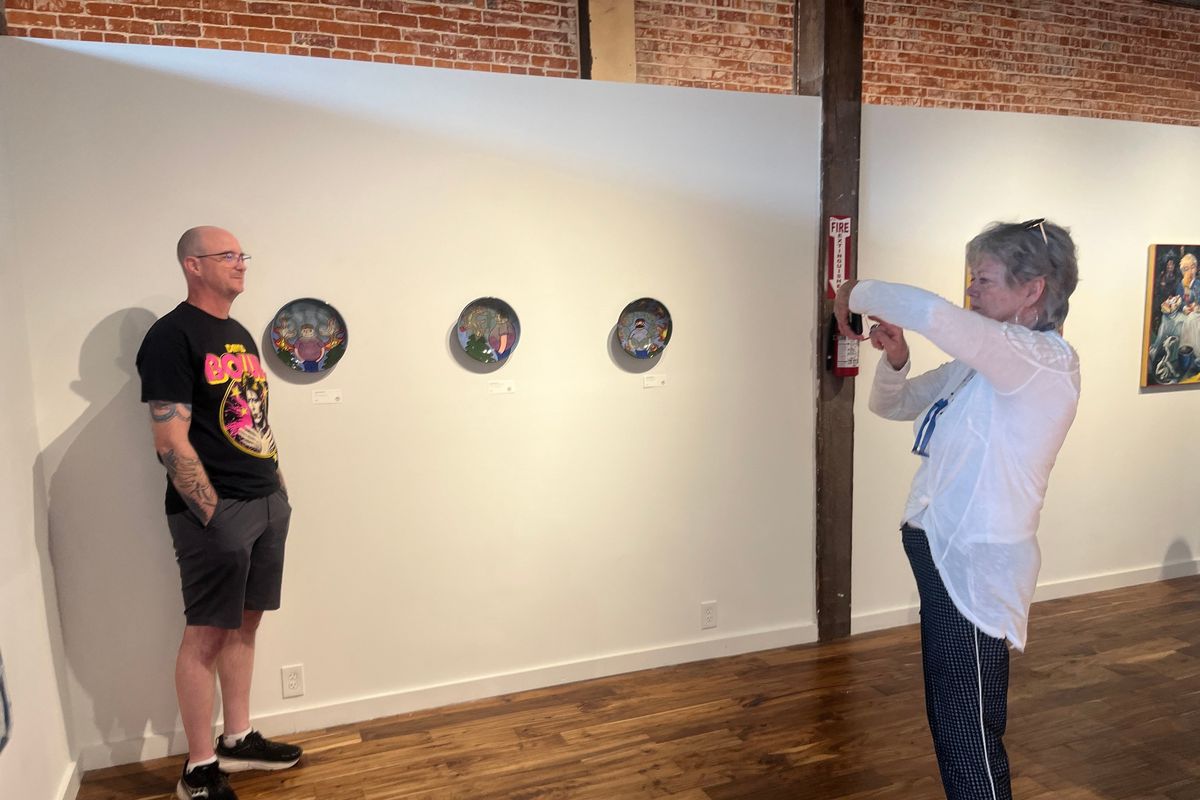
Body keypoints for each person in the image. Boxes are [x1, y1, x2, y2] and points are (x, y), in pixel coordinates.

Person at [834, 218, 1080, 800]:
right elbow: (894, 406)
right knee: (957, 716)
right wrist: (896, 360)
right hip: (945, 556)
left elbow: (934, 312)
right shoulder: (986, 362)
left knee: (966, 728)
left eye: (984, 279)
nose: (971, 290)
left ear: (1034, 289)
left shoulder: (1041, 360)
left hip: (974, 562)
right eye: (970, 278)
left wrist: (852, 293)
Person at [136, 226, 302, 800]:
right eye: (228, 255)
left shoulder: (238, 334)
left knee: (246, 622)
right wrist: (213, 514)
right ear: (193, 265)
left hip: (264, 499)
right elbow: (170, 439)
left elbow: (254, 416)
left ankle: (236, 739)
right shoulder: (170, 336)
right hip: (218, 510)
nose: (241, 264)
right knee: (205, 635)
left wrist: (277, 490)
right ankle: (198, 770)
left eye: (242, 255)